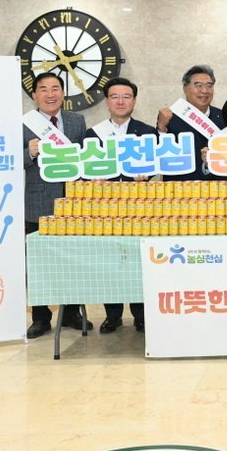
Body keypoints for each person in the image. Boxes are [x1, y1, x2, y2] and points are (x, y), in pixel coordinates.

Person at [86, 77, 156, 334]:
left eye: (126, 96)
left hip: (139, 208)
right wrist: (94, 177)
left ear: (134, 101)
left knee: (139, 262)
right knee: (111, 261)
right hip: (106, 209)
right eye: (114, 96)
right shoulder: (93, 134)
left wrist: (146, 174)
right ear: (107, 101)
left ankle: (141, 315)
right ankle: (112, 315)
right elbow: (86, 168)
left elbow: (155, 165)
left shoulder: (147, 132)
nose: (120, 101)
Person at [23, 72, 88, 339]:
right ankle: (40, 317)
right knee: (37, 262)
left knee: (73, 259)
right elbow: (7, 159)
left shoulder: (76, 120)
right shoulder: (24, 123)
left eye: (55, 88)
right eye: (44, 89)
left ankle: (71, 312)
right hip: (37, 200)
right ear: (34, 95)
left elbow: (85, 158)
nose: (50, 94)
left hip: (72, 202)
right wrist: (28, 153)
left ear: (63, 93)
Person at [155, 65, 224, 181]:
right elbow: (158, 155)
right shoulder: (170, 117)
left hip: (215, 187)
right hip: (179, 187)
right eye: (198, 85)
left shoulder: (223, 117)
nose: (204, 91)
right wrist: (161, 128)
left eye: (209, 86)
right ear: (185, 89)